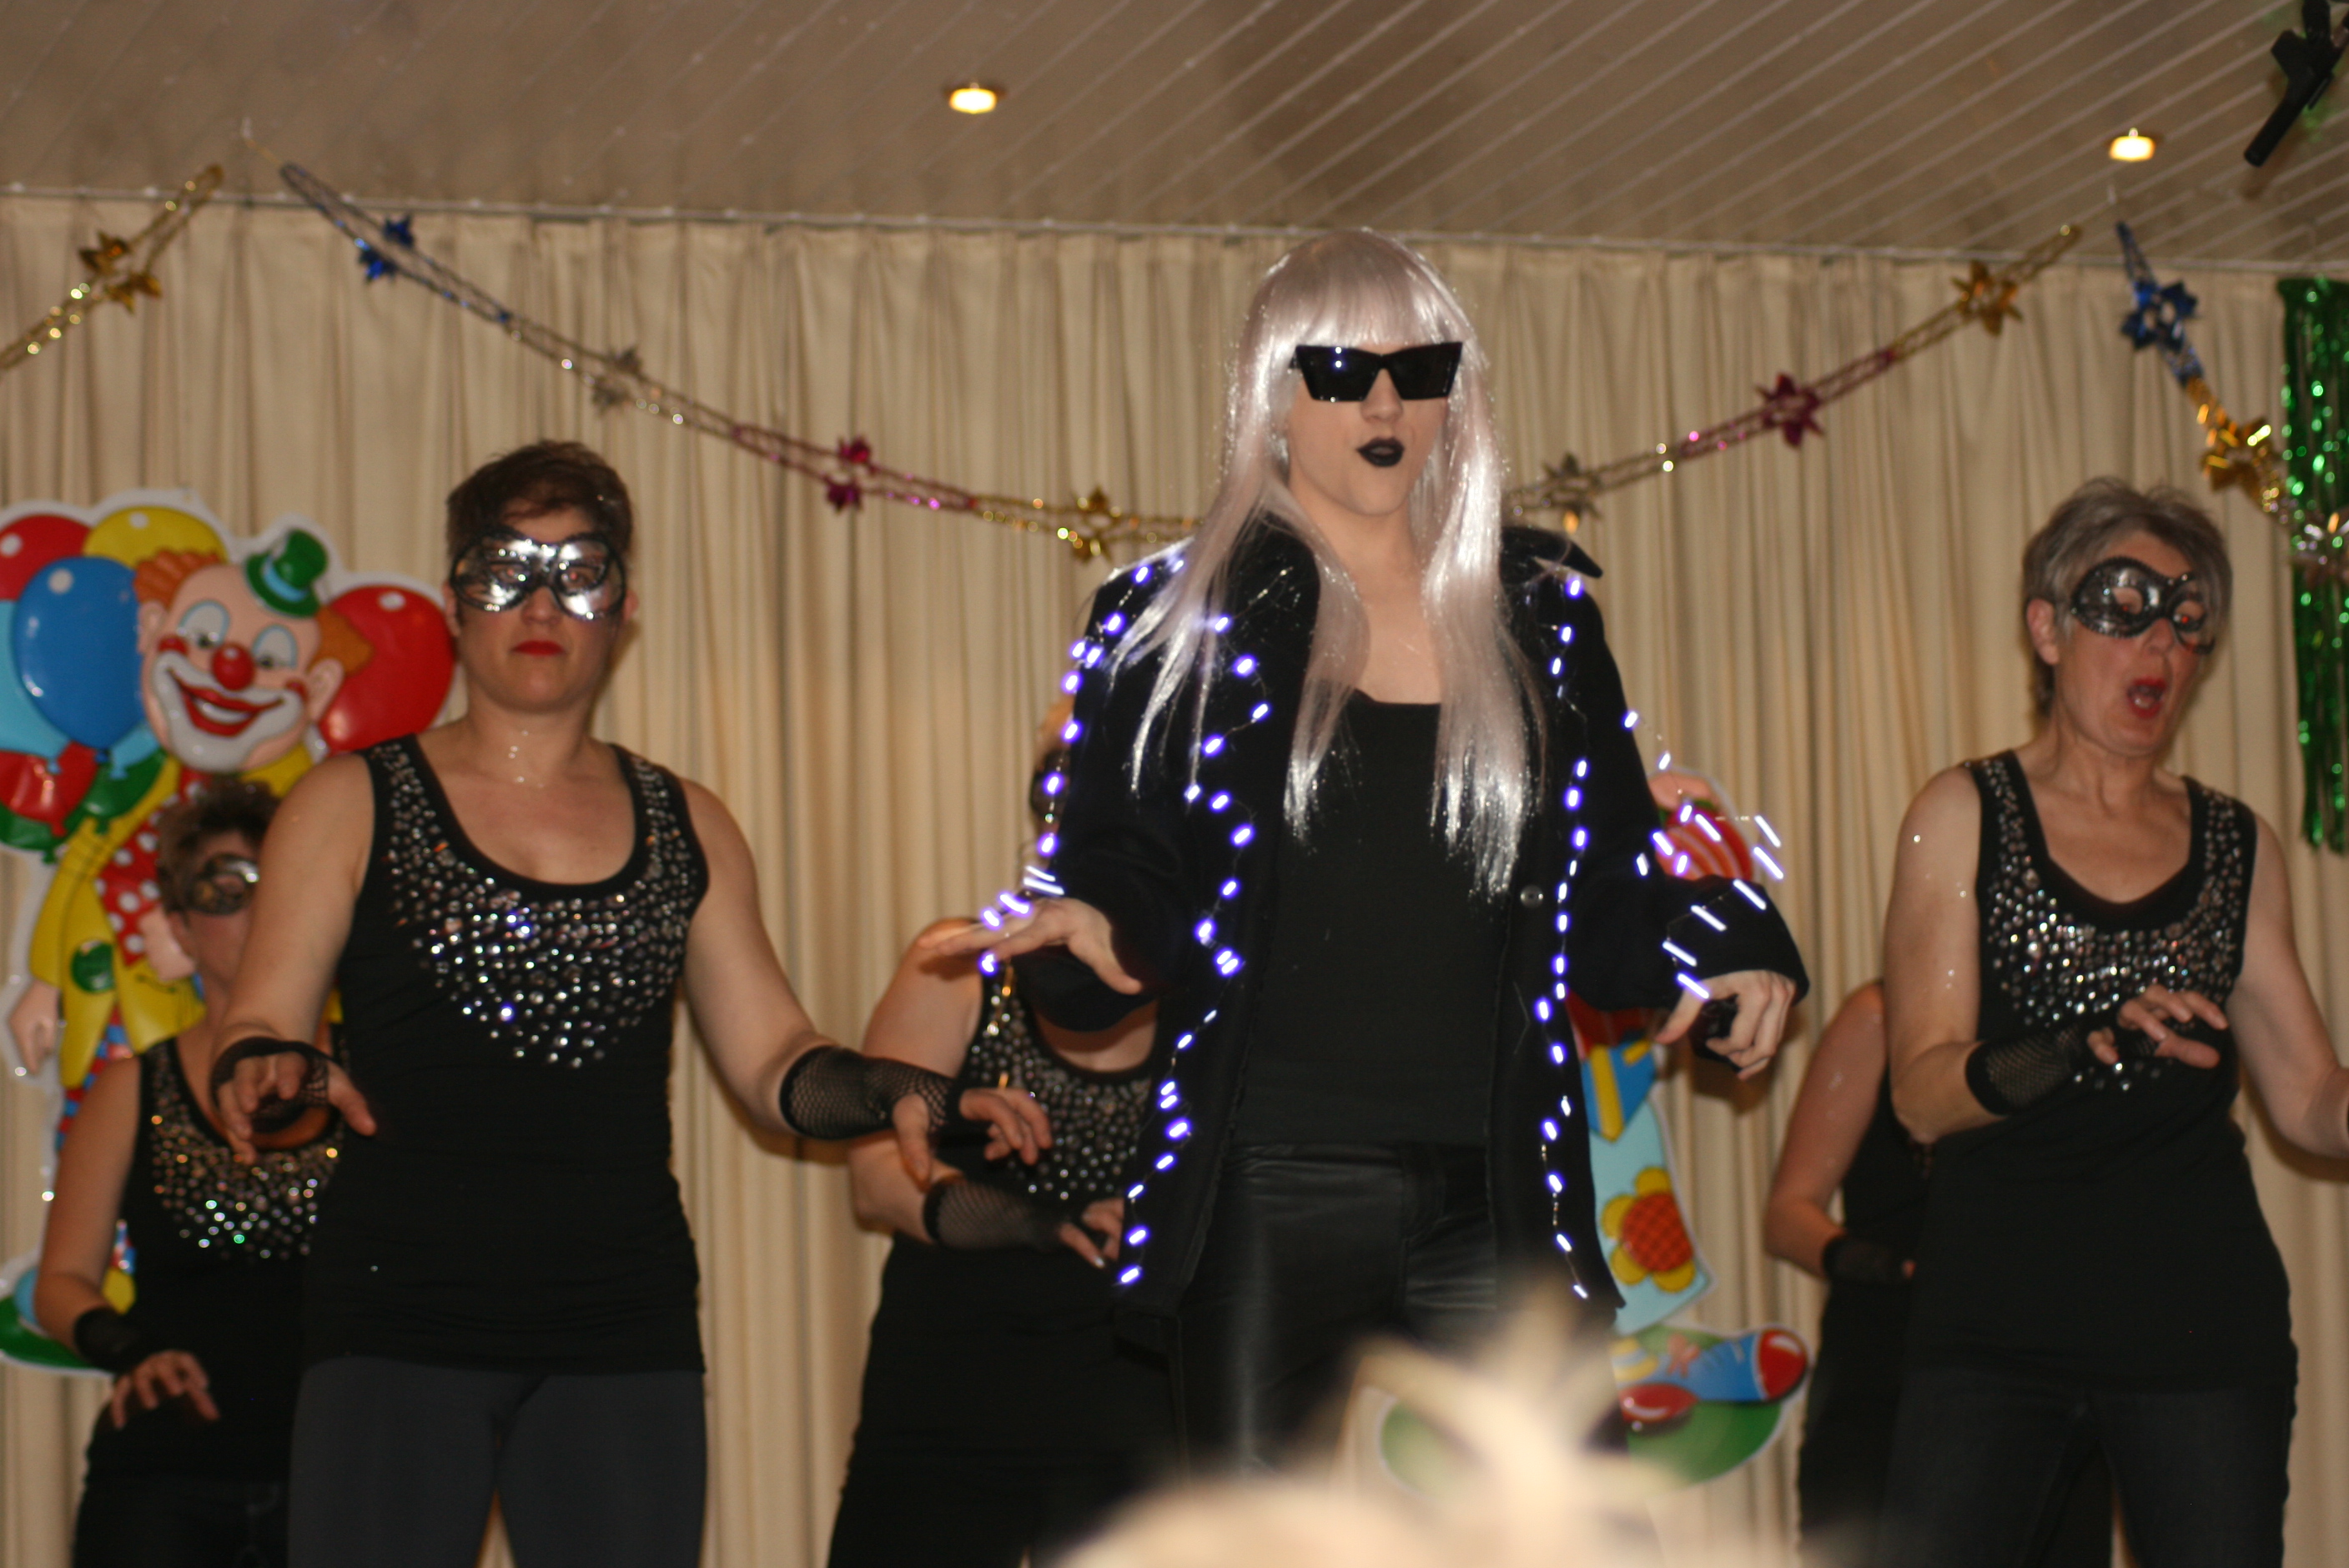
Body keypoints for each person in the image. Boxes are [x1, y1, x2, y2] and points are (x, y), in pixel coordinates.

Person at [931, 231, 1807, 1470]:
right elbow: (1128, 869)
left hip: (1500, 1187)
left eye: (1419, 368)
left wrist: (1728, 939)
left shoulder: (1542, 619)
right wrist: (1092, 930)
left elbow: (1609, 885)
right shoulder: (1167, 620)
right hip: (1267, 1182)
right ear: (1273, 395)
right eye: (1344, 371)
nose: (1386, 404)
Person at [209, 440, 1047, 1568]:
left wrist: (900, 1088)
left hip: (622, 1328)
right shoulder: (350, 800)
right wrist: (267, 1065)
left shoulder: (685, 820)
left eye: (577, 572)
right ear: (454, 598)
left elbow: (775, 1061)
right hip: (395, 1315)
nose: (540, 605)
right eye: (507, 570)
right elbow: (259, 1019)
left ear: (625, 607)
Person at [1879, 478, 2349, 1568]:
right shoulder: (1963, 814)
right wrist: (2079, 1044)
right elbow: (1921, 1095)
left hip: (2199, 1327)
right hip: (1993, 1327)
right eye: (2124, 608)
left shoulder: (2237, 843)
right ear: (2047, 629)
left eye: (2186, 621)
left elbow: (2310, 1101)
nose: (2160, 646)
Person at [33, 781, 330, 1568]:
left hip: (343, 1473)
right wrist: (132, 1351)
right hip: (164, 1479)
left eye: (277, 883)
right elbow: (61, 1281)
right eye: (224, 891)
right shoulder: (132, 1090)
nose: (256, 910)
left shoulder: (372, 1076)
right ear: (179, 927)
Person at [1765, 981, 2110, 1567]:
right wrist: (1873, 1264)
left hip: (2044, 1364)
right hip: (1889, 1362)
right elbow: (1788, 1214)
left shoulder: (2074, 1025)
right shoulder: (1880, 1016)